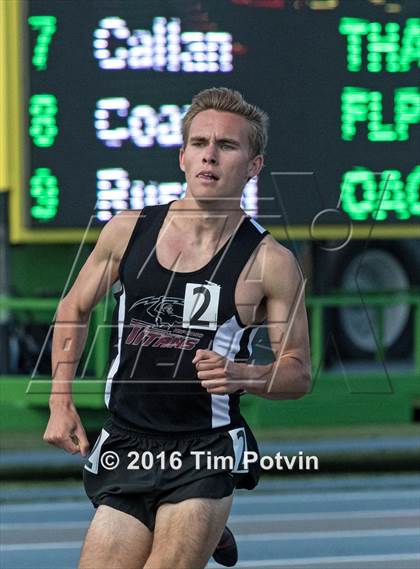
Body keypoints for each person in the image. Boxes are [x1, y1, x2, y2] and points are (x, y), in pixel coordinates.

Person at [43, 87, 311, 569]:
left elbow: (298, 372)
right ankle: (209, 529)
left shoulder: (271, 262)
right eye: (201, 143)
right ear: (183, 156)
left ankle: (204, 516)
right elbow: (73, 307)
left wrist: (241, 375)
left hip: (205, 449)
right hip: (127, 442)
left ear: (254, 165)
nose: (211, 154)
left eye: (227, 146)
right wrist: (60, 401)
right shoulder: (128, 231)